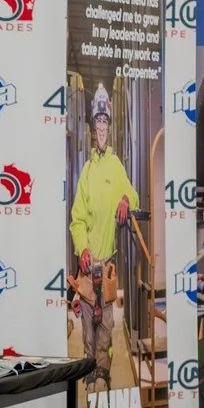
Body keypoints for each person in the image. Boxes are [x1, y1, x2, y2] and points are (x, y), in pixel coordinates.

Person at [68, 84, 139, 387]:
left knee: (107, 329)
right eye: (97, 121)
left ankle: (104, 381)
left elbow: (133, 196)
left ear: (109, 126)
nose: (100, 127)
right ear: (91, 125)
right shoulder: (86, 171)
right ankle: (89, 382)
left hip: (107, 269)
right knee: (87, 332)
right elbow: (76, 220)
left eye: (104, 122)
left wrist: (126, 201)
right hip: (87, 271)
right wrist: (82, 248)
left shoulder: (115, 165)